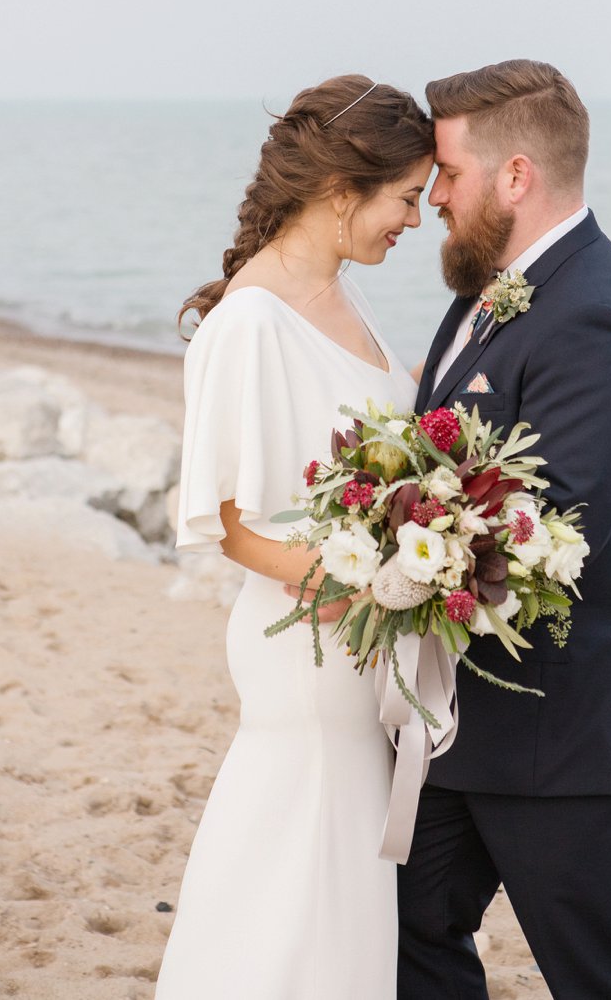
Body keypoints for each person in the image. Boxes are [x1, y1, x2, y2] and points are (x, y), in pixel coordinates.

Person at [399, 59, 611, 1000]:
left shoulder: (596, 316)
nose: (435, 197)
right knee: (405, 937)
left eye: (448, 173)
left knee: (603, 982)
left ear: (515, 175)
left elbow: (548, 531)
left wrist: (380, 549)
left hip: (572, 731)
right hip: (467, 722)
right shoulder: (494, 286)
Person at [154, 75, 434, 999]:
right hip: (309, 648)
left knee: (337, 882)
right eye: (406, 198)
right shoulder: (249, 320)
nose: (416, 221)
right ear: (345, 186)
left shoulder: (342, 297)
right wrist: (354, 584)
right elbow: (226, 522)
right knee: (294, 875)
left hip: (364, 651)